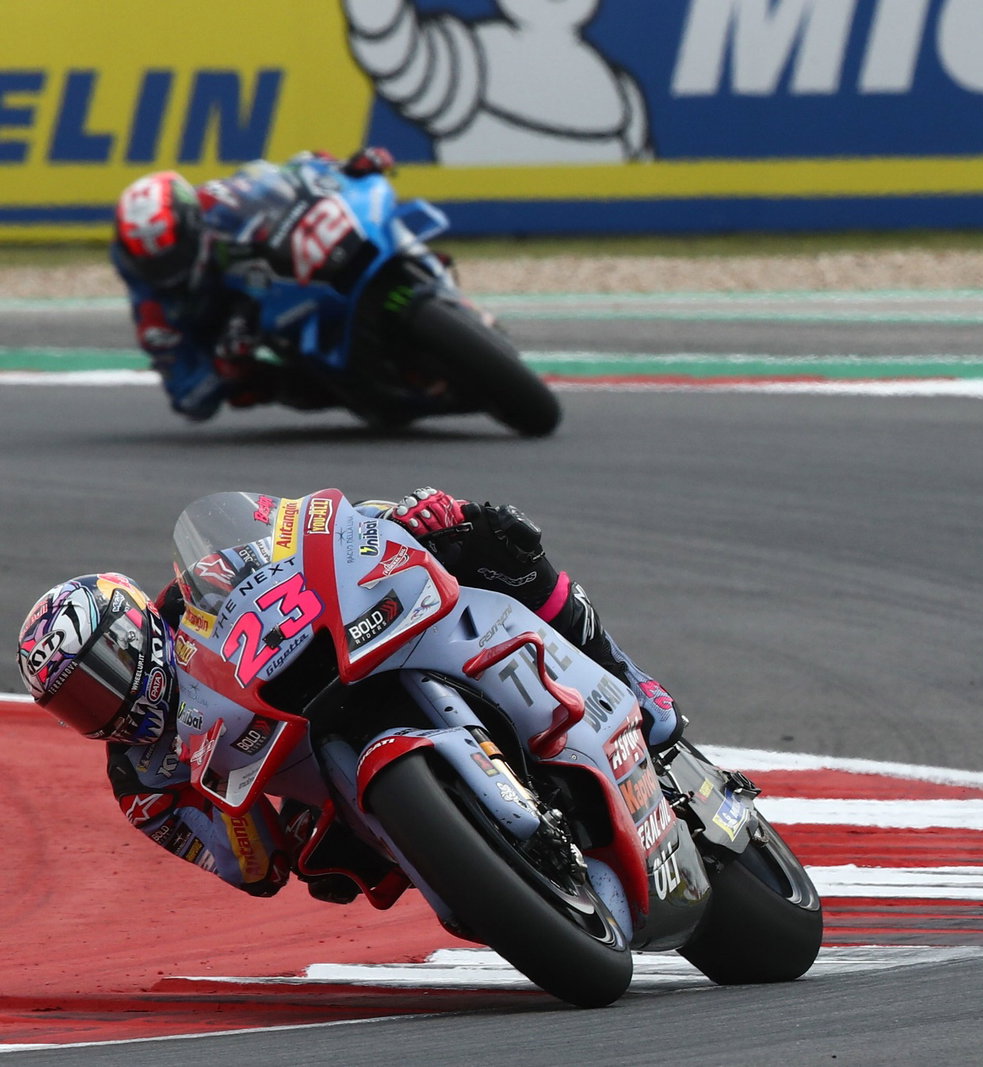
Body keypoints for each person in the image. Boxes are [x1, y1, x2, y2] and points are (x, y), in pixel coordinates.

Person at [14, 488, 682, 903]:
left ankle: (630, 680)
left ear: (133, 630)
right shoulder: (138, 777)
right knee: (326, 868)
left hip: (346, 647)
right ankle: (489, 878)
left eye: (100, 675)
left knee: (491, 537)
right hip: (310, 781)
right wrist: (227, 804)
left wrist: (402, 518)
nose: (102, 705)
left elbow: (303, 529)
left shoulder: (199, 586)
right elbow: (247, 868)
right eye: (78, 705)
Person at [110, 147, 397, 421]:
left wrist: (342, 167)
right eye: (154, 264)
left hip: (279, 277)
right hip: (230, 330)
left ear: (191, 227)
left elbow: (288, 173)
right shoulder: (154, 315)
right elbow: (186, 397)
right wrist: (224, 365)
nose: (167, 271)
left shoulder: (214, 202)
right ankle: (352, 393)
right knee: (246, 392)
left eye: (173, 257)